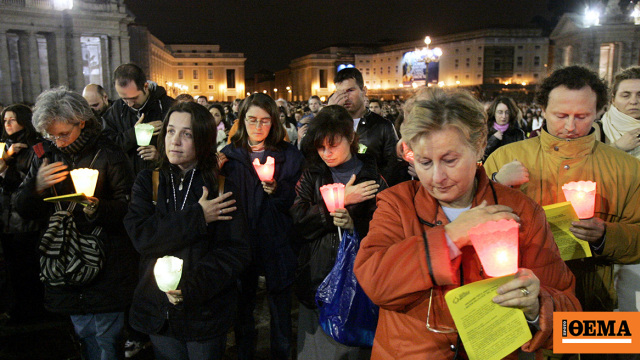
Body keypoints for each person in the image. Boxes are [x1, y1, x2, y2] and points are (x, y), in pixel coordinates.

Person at [353, 87, 580, 359]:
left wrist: (537, 306)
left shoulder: (521, 210)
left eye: (450, 160)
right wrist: (449, 238)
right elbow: (375, 282)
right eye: (425, 162)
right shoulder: (397, 204)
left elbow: (571, 320)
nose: (437, 177)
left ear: (479, 145)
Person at [484, 65, 640, 316]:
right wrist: (496, 184)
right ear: (543, 109)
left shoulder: (627, 168)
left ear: (600, 111)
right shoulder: (505, 157)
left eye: (581, 116)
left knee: (597, 351)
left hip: (592, 305)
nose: (570, 126)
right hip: (519, 302)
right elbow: (472, 223)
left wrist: (605, 235)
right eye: (560, 115)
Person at [14, 87, 137, 360]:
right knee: (83, 334)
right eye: (50, 135)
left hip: (106, 261)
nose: (56, 142)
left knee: (108, 337)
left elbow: (128, 208)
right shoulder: (44, 155)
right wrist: (36, 186)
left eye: (62, 134)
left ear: (81, 121)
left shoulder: (109, 152)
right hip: (64, 260)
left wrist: (96, 207)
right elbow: (23, 210)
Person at [124, 102, 250, 360]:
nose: (175, 141)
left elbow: (235, 251)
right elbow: (142, 237)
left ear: (203, 139)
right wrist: (198, 217)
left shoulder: (221, 188)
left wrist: (192, 286)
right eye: (170, 131)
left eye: (187, 134)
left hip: (204, 313)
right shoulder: (148, 181)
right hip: (157, 311)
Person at [291, 105, 386, 360]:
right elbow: (298, 220)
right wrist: (339, 200)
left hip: (358, 286)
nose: (327, 153)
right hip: (317, 279)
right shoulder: (313, 173)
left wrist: (354, 226)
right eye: (321, 147)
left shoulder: (371, 176)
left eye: (333, 145)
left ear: (351, 138)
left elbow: (386, 230)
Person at [220, 93, 305, 360]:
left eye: (265, 121)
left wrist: (278, 190)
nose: (258, 127)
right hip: (242, 242)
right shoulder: (229, 156)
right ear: (242, 120)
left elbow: (300, 198)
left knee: (280, 306)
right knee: (243, 307)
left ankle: (282, 353)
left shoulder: (289, 155)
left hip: (278, 240)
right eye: (252, 120)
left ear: (275, 122)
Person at [0, 104, 46, 322]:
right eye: (5, 120)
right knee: (12, 265)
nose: (7, 125)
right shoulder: (5, 146)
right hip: (7, 216)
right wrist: (6, 159)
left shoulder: (35, 146)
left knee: (26, 264)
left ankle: (31, 308)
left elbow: (34, 178)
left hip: (25, 218)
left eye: (12, 120)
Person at [600, 66, 640, 320]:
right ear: (613, 98)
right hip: (604, 231)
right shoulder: (595, 130)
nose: (634, 101)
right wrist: (616, 149)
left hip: (637, 237)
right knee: (601, 312)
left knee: (632, 309)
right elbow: (581, 175)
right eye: (626, 95)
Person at [327, 68, 398, 184]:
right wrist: (329, 113)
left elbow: (392, 166)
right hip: (337, 192)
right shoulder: (332, 122)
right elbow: (308, 149)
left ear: (364, 90)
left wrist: (375, 188)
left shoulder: (383, 126)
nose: (345, 97)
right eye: (340, 93)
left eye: (350, 90)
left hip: (372, 192)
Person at [103, 63, 174, 175]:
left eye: (134, 98)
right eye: (124, 99)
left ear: (145, 86)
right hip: (128, 181)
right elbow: (106, 146)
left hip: (161, 179)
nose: (130, 104)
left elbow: (184, 148)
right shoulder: (116, 109)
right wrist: (133, 134)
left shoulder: (168, 107)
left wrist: (160, 156)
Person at [482, 96, 526, 162]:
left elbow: (523, 156)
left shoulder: (518, 133)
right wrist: (493, 140)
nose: (504, 116)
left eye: (507, 112)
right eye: (500, 112)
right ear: (494, 113)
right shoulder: (485, 131)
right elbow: (480, 156)